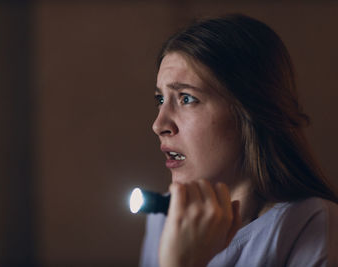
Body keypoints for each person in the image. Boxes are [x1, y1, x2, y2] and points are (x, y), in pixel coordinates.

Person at [139, 14, 338, 267]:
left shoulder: (312, 225)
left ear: (248, 112)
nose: (159, 125)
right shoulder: (165, 217)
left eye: (186, 98)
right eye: (160, 100)